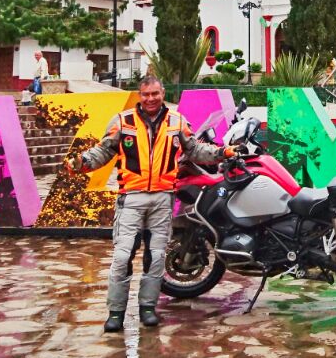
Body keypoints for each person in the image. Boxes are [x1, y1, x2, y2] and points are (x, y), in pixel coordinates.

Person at [66, 75, 231, 331]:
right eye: (146, 94)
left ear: (162, 93)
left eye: (155, 93)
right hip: (131, 198)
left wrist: (221, 152)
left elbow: (195, 149)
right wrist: (83, 162)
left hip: (162, 199)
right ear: (139, 95)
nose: (151, 99)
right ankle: (116, 312)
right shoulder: (123, 121)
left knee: (155, 258)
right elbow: (104, 150)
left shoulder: (177, 122)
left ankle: (147, 307)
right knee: (122, 256)